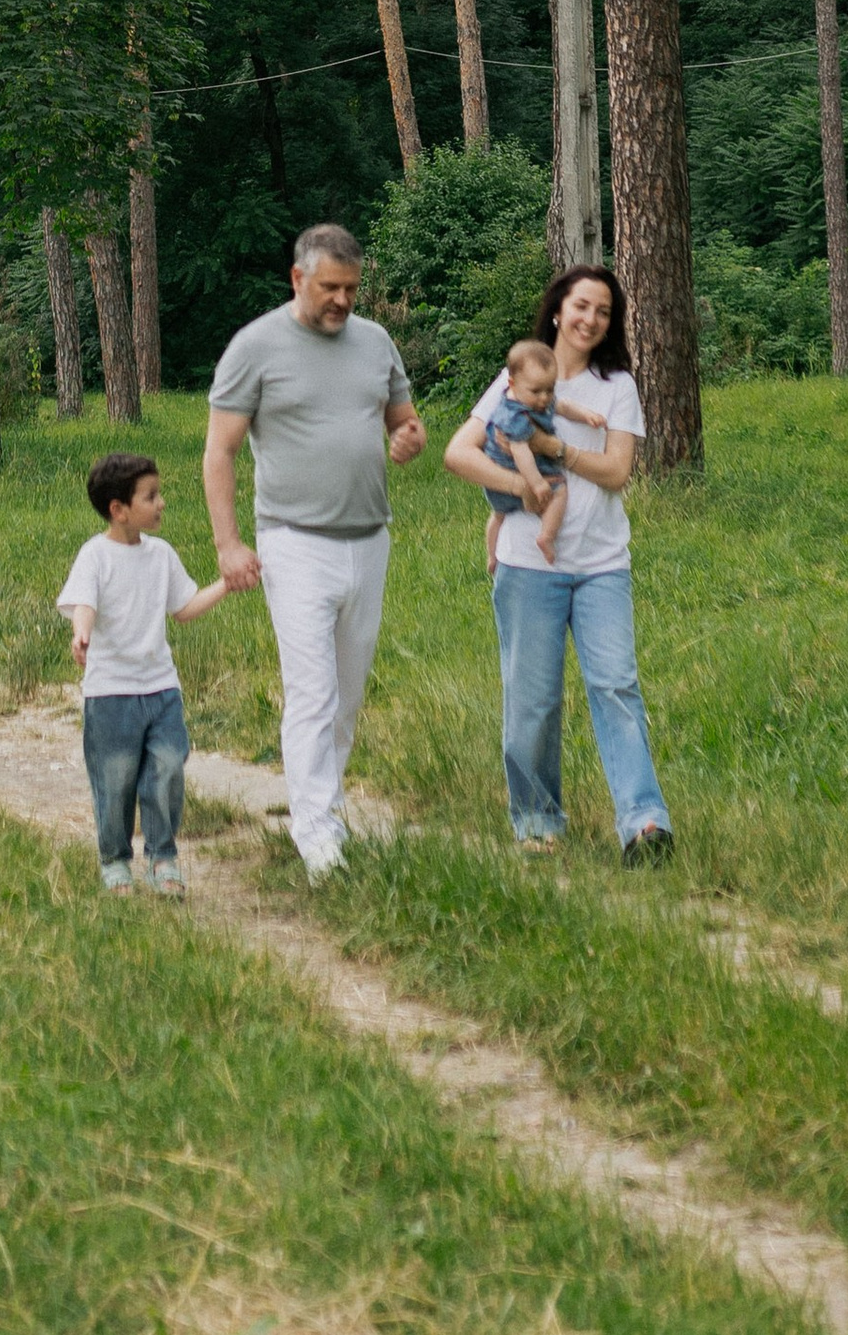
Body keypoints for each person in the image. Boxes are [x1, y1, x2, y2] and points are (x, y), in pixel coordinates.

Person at [203, 221, 425, 883]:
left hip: (369, 539)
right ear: (298, 278)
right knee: (313, 692)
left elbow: (405, 422)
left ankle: (325, 807)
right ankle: (317, 834)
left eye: (352, 288)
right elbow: (220, 451)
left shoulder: (375, 341)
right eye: (330, 287)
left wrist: (409, 440)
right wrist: (228, 543)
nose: (343, 300)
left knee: (347, 698)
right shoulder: (255, 347)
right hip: (294, 541)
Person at [444, 262, 672, 865]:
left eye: (603, 311)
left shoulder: (616, 386)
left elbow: (617, 471)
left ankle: (644, 823)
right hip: (527, 567)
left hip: (602, 564)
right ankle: (538, 820)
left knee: (616, 686)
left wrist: (555, 450)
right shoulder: (516, 378)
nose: (591, 319)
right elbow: (458, 453)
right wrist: (521, 488)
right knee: (533, 702)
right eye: (581, 306)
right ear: (557, 310)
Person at [56, 451, 234, 896]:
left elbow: (184, 609)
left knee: (168, 768)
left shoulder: (161, 555)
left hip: (161, 689)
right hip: (110, 694)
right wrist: (82, 633)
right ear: (118, 509)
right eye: (150, 496)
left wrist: (226, 584)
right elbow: (84, 603)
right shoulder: (95, 555)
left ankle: (162, 857)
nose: (161, 503)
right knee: (115, 780)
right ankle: (115, 860)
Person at [477, 337, 571, 567]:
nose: (544, 398)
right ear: (512, 383)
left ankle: (492, 556)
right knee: (560, 490)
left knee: (498, 516)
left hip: (495, 487)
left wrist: (586, 416)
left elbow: (561, 406)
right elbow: (521, 453)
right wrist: (536, 483)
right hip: (515, 477)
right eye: (536, 391)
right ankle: (546, 536)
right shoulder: (516, 416)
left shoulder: (529, 398)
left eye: (550, 389)